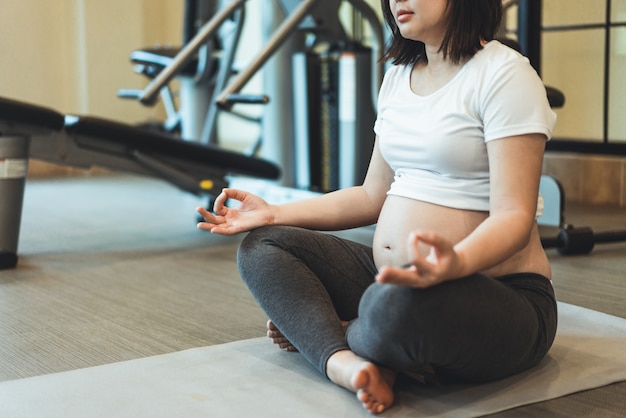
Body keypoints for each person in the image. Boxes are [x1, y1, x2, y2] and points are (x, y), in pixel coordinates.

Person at [197, 0, 558, 414]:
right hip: (393, 281)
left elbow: (514, 217)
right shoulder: (397, 78)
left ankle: (334, 332)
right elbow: (372, 196)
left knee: (389, 305)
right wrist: (274, 213)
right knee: (263, 248)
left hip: (495, 294)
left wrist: (454, 264)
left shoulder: (505, 73)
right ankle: (345, 361)